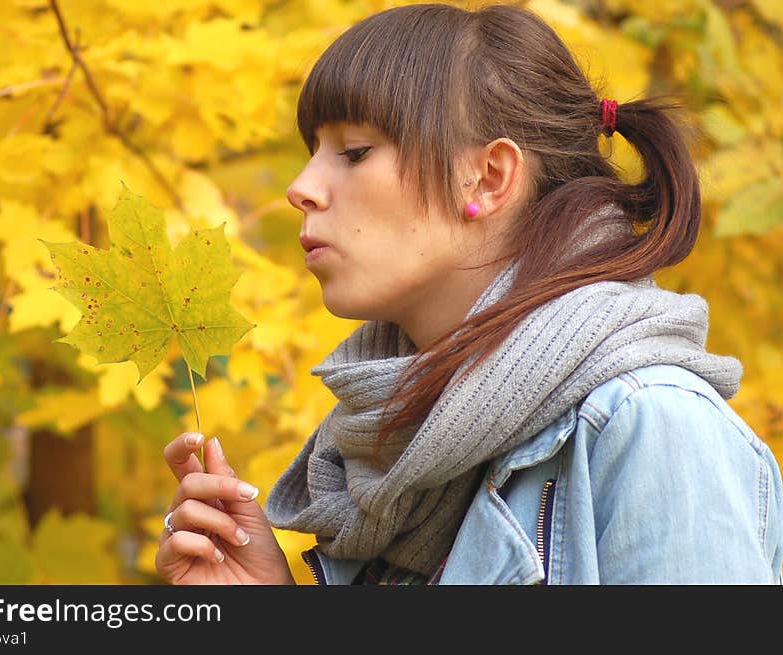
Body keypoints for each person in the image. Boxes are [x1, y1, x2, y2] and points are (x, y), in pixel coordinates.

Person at [155, 2, 783, 585]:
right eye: (312, 152)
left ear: (487, 177)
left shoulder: (653, 427)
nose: (302, 187)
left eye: (353, 152)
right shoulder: (399, 462)